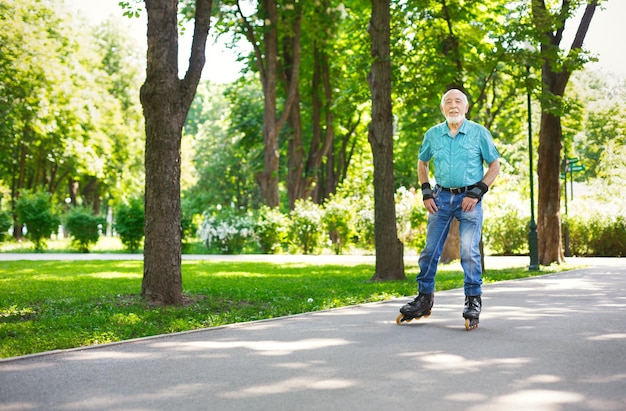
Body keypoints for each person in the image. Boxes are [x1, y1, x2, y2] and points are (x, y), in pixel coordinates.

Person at [399, 88, 501, 331]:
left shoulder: (478, 133)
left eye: (458, 102)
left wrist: (477, 193)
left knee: (468, 251)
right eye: (448, 102)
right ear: (442, 108)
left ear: (466, 108)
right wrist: (425, 191)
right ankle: (424, 299)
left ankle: (473, 301)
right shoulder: (433, 135)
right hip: (441, 197)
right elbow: (422, 162)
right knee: (429, 251)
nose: (453, 105)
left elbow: (495, 166)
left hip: (470, 198)